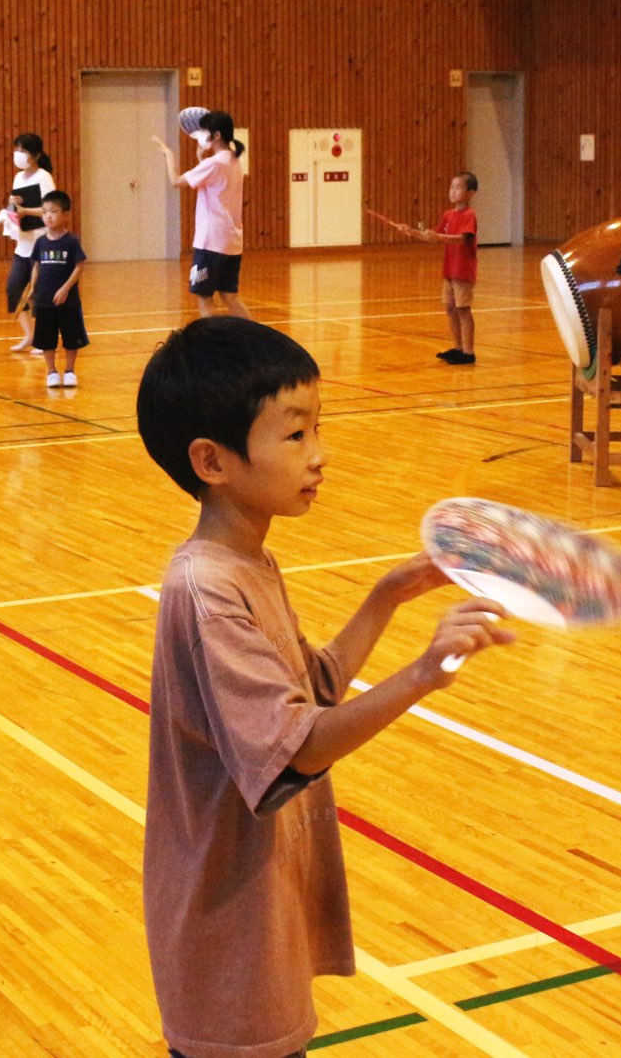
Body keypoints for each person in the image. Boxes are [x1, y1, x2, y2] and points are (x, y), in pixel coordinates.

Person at [135, 316, 512, 1058]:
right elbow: (297, 750)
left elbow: (315, 690)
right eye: (294, 433)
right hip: (225, 923)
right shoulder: (208, 588)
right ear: (212, 460)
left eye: (318, 429)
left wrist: (387, 596)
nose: (319, 454)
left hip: (260, 906)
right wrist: (424, 673)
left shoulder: (247, 562)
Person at [157, 110, 249, 319]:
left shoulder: (214, 163)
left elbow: (176, 181)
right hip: (232, 243)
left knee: (204, 296)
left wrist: (168, 154)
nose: (203, 134)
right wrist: (201, 159)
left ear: (216, 135)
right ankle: (255, 335)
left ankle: (212, 338)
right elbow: (215, 183)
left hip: (210, 243)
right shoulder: (235, 161)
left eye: (206, 131)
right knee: (230, 296)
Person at [387, 171, 479, 364]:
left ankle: (469, 352)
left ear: (470, 193)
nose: (453, 191)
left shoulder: (469, 215)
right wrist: (411, 231)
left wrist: (439, 236)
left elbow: (462, 240)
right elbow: (433, 238)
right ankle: (458, 347)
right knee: (451, 308)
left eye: (458, 187)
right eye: (451, 187)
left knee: (463, 309)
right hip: (449, 270)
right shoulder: (448, 215)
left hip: (463, 270)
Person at [1, 134, 56, 352]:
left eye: (23, 151)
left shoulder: (44, 177)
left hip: (41, 243)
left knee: (40, 293)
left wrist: (26, 211)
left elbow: (50, 209)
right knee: (14, 288)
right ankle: (29, 335)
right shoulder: (18, 178)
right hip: (23, 244)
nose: (18, 154)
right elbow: (15, 207)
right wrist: (12, 206)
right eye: (17, 150)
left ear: (35, 155)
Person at [31, 191, 88, 388]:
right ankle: (51, 372)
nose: (48, 216)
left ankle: (70, 370)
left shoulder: (71, 242)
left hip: (68, 300)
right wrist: (32, 288)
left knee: (71, 336)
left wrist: (65, 289)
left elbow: (79, 266)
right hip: (45, 299)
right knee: (47, 338)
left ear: (65, 215)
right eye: (44, 212)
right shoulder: (40, 242)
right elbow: (37, 266)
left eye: (53, 211)